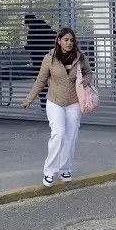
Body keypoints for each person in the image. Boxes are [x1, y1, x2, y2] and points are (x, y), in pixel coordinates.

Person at [21, 26, 91, 186]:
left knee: (70, 138)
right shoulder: (50, 58)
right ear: (59, 41)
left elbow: (88, 73)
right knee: (58, 135)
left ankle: (65, 169)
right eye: (66, 40)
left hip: (74, 103)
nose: (69, 43)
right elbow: (41, 80)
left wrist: (84, 82)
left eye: (72, 40)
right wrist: (29, 99)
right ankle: (49, 172)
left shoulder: (80, 57)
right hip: (55, 102)